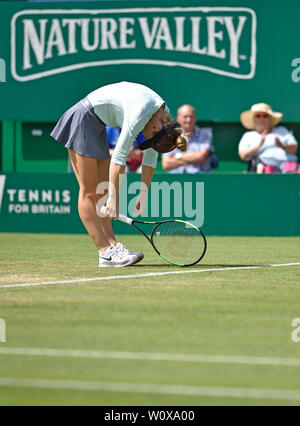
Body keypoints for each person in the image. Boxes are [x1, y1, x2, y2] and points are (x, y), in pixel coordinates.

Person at [51, 81, 186, 267]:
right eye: (148, 138)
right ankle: (105, 251)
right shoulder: (141, 113)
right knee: (89, 192)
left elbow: (150, 158)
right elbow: (119, 157)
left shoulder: (162, 118)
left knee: (101, 191)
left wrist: (144, 192)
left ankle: (113, 247)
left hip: (97, 125)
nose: (145, 137)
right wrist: (114, 200)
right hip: (83, 119)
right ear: (156, 128)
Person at [239, 103, 298, 173]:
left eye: (265, 116)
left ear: (270, 118)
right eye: (258, 116)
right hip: (264, 167)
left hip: (289, 166)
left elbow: (294, 149)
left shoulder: (282, 130)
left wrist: (281, 145)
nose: (261, 119)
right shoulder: (248, 135)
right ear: (253, 119)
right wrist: (259, 145)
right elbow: (243, 155)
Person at [161, 104, 217, 173]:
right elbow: (166, 164)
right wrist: (193, 159)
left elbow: (201, 158)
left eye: (191, 116)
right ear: (178, 119)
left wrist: (178, 156)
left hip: (201, 180)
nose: (189, 120)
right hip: (176, 181)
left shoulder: (205, 133)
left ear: (195, 118)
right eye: (185, 117)